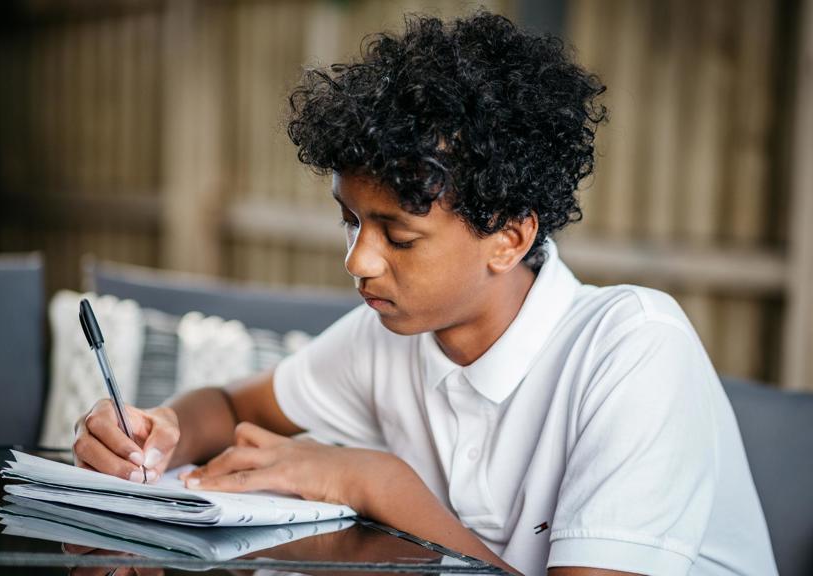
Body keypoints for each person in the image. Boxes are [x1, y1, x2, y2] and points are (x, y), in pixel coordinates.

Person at [73, 11, 778, 575]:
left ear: (509, 238)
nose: (359, 262)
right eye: (349, 221)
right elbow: (228, 407)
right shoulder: (388, 337)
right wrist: (160, 428)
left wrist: (374, 482)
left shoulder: (632, 348)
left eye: (398, 236)